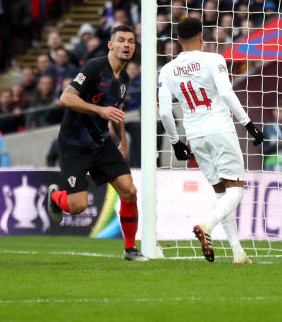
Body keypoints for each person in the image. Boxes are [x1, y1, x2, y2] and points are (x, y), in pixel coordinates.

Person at [157, 17, 263, 265]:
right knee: (235, 189)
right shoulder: (214, 59)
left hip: (194, 135)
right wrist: (249, 124)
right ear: (202, 37)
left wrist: (175, 142)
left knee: (221, 192)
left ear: (178, 41)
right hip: (219, 129)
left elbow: (164, 111)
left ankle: (238, 252)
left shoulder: (168, 69)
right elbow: (226, 93)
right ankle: (207, 225)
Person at [44, 25, 147, 262]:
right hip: (75, 143)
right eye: (121, 40)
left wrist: (122, 141)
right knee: (77, 206)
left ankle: (130, 248)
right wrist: (99, 110)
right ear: (111, 45)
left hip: (101, 143)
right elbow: (66, 98)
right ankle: (55, 197)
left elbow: (116, 109)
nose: (127, 45)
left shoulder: (125, 78)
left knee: (129, 191)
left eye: (131, 41)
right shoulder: (94, 67)